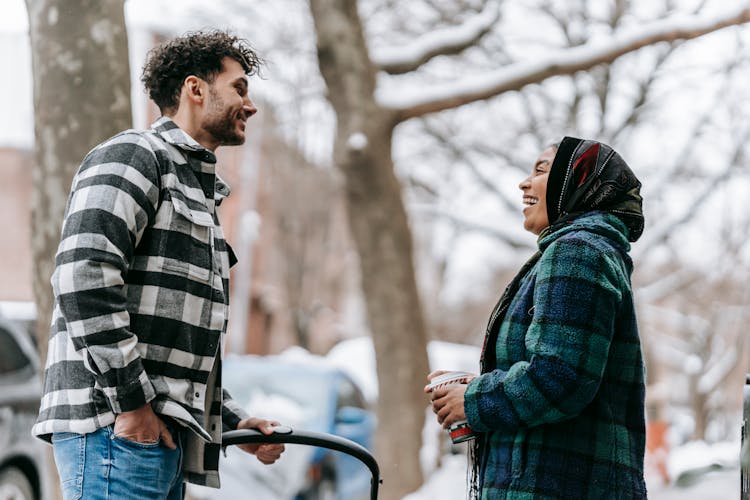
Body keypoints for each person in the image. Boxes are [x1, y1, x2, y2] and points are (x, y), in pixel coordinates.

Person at [32, 30, 285, 499]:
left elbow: (177, 339)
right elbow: (83, 275)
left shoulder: (197, 189)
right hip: (115, 429)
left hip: (151, 433)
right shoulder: (136, 155)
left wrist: (232, 420)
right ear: (195, 89)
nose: (250, 106)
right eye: (240, 88)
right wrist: (132, 407)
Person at [427, 137, 647, 499]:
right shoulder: (583, 250)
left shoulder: (577, 251)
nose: (524, 183)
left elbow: (560, 379)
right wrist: (474, 385)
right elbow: (561, 368)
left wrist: (474, 400)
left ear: (576, 182)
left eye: (542, 170)